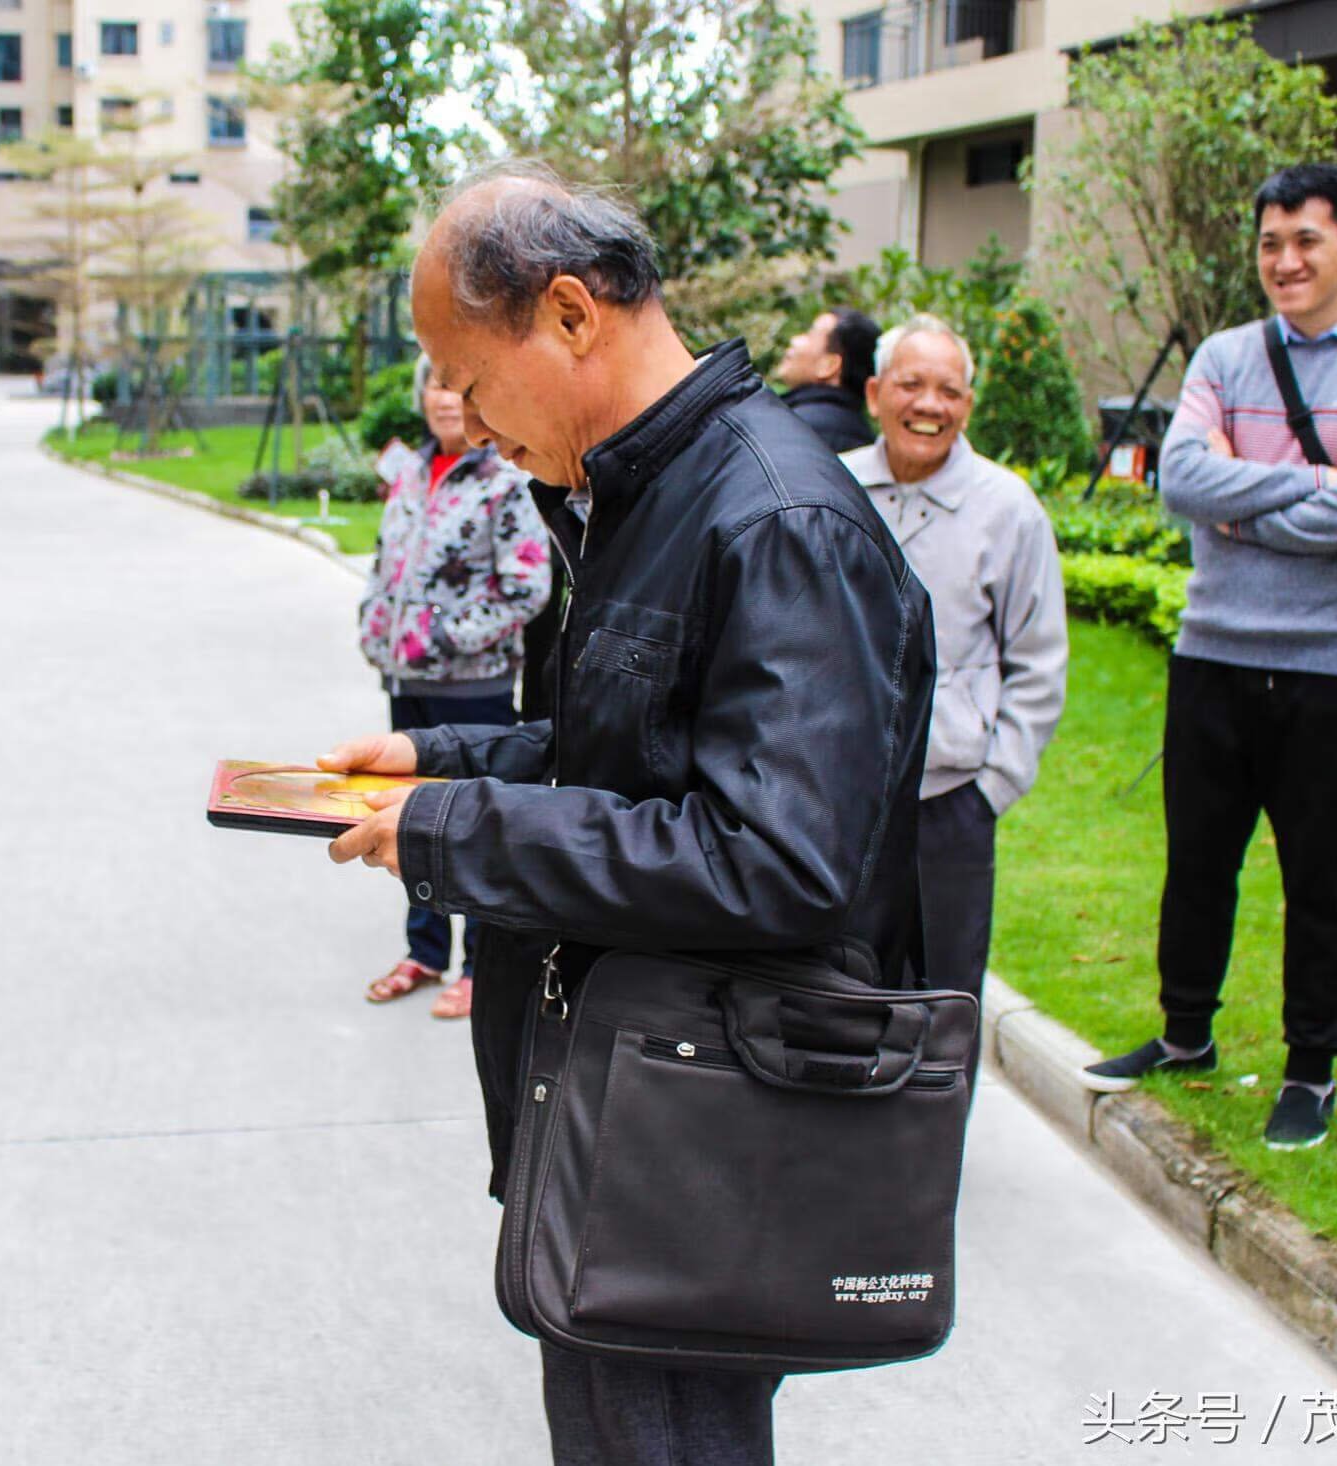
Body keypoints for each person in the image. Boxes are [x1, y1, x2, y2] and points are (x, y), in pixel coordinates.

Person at [320, 161, 936, 1466]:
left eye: (469, 379)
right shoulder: (659, 491)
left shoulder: (772, 518)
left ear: (566, 315)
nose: (471, 424)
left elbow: (771, 858)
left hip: (695, 1139)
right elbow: (630, 743)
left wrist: (451, 832)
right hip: (631, 1108)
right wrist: (439, 754)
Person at [1080, 163, 1337, 1151]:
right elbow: (1181, 481)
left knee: (1318, 875)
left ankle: (1310, 1069)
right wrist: (1308, 488)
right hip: (1214, 650)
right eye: (1269, 244)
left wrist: (1247, 510)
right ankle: (1185, 1032)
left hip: (1335, 665)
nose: (1285, 262)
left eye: (1306, 242)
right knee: (1197, 860)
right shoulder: (1226, 354)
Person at [841, 314, 1068, 1015]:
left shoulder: (1008, 510)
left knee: (941, 1005)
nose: (929, 405)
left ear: (968, 404)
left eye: (949, 390)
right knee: (831, 995)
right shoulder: (834, 485)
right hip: (838, 802)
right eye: (910, 384)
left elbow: (1037, 659)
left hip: (951, 804)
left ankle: (934, 1132)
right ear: (876, 393)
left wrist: (990, 788)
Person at [353, 353, 551, 1019]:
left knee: (472, 824)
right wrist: (374, 624)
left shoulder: (503, 478)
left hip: (474, 688)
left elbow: (527, 586)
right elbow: (387, 563)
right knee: (405, 819)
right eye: (435, 384)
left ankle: (477, 966)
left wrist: (441, 637)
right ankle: (426, 951)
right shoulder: (409, 471)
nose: (444, 399)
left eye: (457, 385)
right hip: (405, 678)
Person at [772, 307, 878, 453]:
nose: (794, 340)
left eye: (809, 334)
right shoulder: (863, 439)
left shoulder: (793, 428)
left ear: (828, 366)